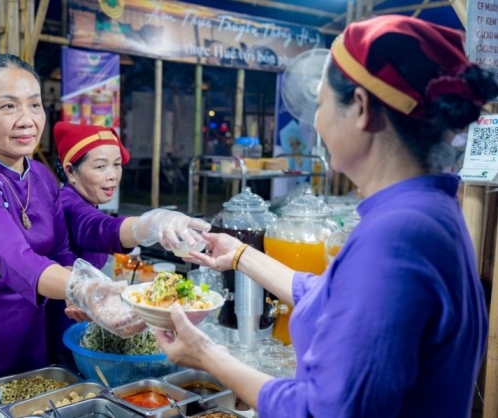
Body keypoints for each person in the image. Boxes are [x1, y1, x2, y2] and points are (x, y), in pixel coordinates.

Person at [154, 15, 498, 417]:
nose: (315, 122)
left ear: (362, 109)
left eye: (320, 105)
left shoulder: (397, 236)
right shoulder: (429, 210)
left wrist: (206, 354)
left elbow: (322, 410)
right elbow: (332, 298)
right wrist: (239, 255)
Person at [0, 54, 155, 378]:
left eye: (34, 105)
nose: (26, 120)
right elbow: (14, 258)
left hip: (26, 328)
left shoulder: (40, 176)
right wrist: (88, 289)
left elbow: (59, 250)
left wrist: (77, 283)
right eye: (8, 106)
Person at [46, 122, 210, 361]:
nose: (112, 175)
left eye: (116, 165)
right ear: (71, 171)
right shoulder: (69, 204)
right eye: (100, 166)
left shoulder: (85, 200)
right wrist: (151, 224)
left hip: (82, 315)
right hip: (65, 323)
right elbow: (102, 229)